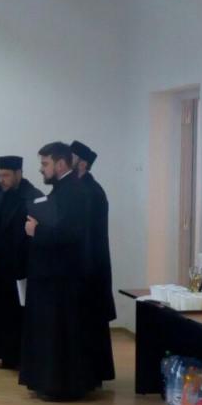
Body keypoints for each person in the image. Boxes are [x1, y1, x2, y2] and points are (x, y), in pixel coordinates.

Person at [19, 141, 98, 401]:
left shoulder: (74, 192)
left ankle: (60, 386)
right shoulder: (63, 190)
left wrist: (36, 230)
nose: (41, 169)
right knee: (51, 332)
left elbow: (70, 234)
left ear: (61, 164)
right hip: (53, 275)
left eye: (45, 164)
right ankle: (49, 383)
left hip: (63, 277)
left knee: (61, 334)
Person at [0, 155, 41, 371]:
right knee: (5, 312)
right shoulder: (1, 195)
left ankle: (24, 358)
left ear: (18, 173)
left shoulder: (33, 197)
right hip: (2, 266)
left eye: (6, 175)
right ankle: (8, 355)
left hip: (23, 266)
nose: (1, 180)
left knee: (22, 314)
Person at [71, 140, 116, 384]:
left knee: (90, 324)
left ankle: (91, 375)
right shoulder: (77, 189)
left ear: (83, 163)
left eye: (71, 157)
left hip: (90, 268)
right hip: (84, 266)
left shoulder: (91, 192)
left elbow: (87, 234)